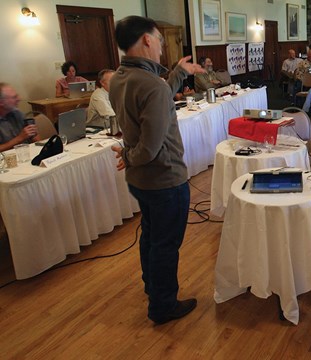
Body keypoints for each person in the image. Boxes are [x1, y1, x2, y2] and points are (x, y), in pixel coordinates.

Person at [109, 15, 205, 325]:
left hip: (141, 182)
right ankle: (163, 306)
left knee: (151, 236)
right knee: (165, 245)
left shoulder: (120, 78)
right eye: (159, 41)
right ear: (147, 40)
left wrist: (178, 73)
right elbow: (148, 148)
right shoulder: (152, 86)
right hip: (165, 181)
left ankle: (153, 287)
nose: (162, 48)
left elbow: (154, 98)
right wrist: (129, 153)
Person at [0, 83, 39, 152]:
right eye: (14, 97)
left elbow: (33, 137)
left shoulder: (16, 112)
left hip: (27, 153)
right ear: (1, 102)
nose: (19, 99)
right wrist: (19, 138)